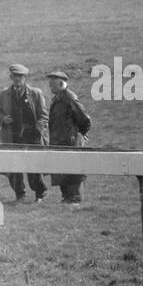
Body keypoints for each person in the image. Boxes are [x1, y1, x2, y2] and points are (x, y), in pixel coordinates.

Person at [0, 63, 49, 201]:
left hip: (32, 136)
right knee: (13, 168)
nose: (17, 79)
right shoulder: (4, 94)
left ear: (25, 78)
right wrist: (3, 119)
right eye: (15, 76)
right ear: (10, 77)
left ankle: (40, 193)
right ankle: (20, 195)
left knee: (33, 168)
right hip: (12, 136)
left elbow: (43, 115)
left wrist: (40, 124)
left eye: (20, 76)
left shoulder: (36, 93)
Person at [46, 71, 92, 203]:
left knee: (73, 172)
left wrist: (79, 136)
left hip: (70, 143)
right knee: (62, 171)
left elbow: (85, 119)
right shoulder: (58, 98)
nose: (50, 87)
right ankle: (67, 198)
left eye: (52, 85)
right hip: (59, 143)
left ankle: (75, 199)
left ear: (61, 84)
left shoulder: (69, 97)